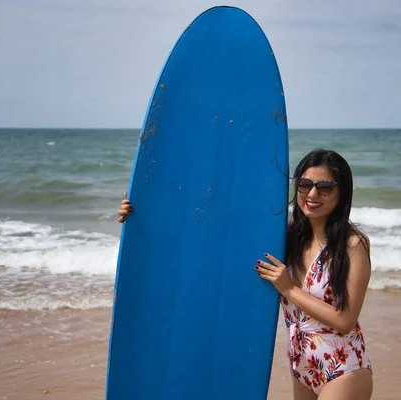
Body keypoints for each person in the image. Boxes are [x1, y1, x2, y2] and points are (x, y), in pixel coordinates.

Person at [117, 149, 373, 400]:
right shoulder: (288, 237)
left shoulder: (352, 245)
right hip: (303, 366)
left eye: (325, 187)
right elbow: (216, 230)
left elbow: (344, 320)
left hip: (344, 368)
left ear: (342, 193)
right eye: (305, 184)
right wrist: (143, 214)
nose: (312, 194)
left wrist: (289, 289)